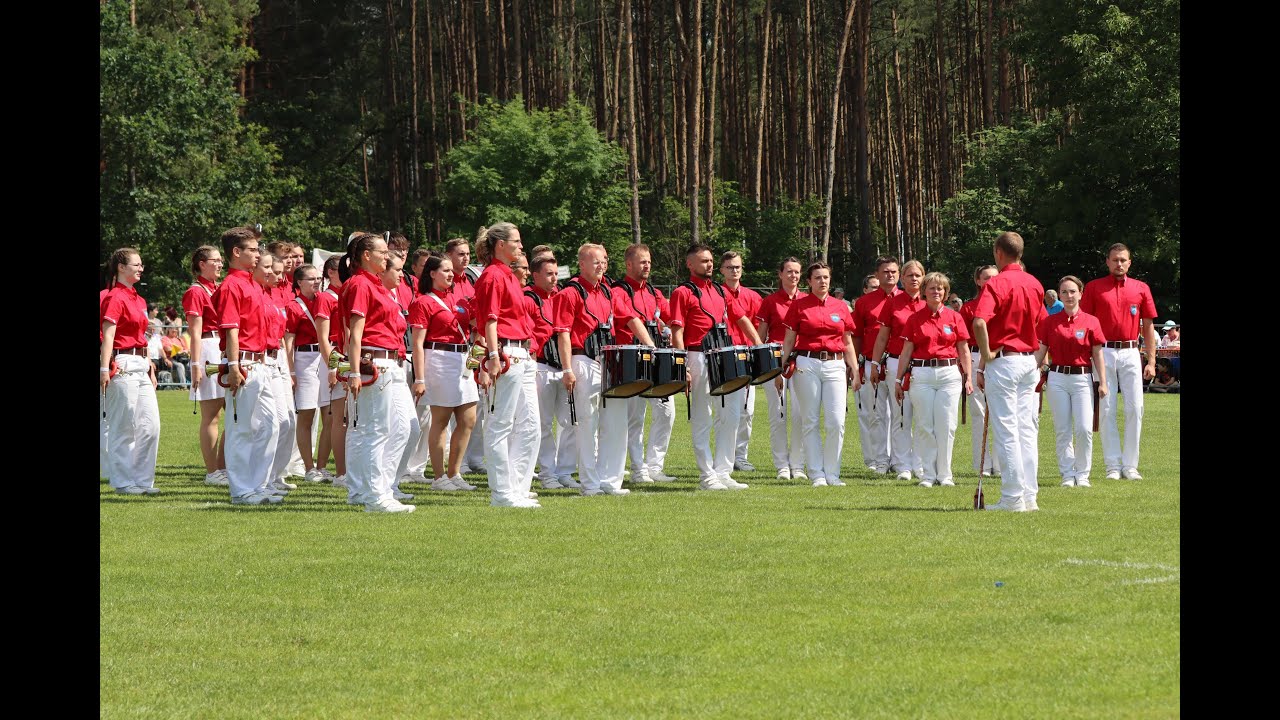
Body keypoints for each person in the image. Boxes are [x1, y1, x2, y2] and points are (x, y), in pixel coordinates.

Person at [554, 243, 652, 496]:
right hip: (583, 360)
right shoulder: (570, 293)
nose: (602, 265)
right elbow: (563, 334)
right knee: (587, 424)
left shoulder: (610, 292)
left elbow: (631, 319)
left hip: (610, 364)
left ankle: (611, 481)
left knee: (617, 423)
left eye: (605, 260)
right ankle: (589, 483)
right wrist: (567, 369)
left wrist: (651, 347)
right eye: (596, 261)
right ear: (582, 264)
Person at [668, 243, 763, 490]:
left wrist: (759, 345)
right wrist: (682, 365)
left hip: (724, 357)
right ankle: (706, 475)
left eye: (710, 261)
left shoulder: (721, 292)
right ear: (690, 264)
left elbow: (742, 319)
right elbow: (677, 332)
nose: (709, 264)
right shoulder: (682, 292)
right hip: (697, 355)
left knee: (731, 416)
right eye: (703, 261)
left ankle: (724, 471)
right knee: (702, 417)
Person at [337, 231, 417, 513]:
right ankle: (374, 495)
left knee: (382, 428)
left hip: (388, 361)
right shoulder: (361, 284)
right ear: (366, 256)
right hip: (376, 362)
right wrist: (355, 371)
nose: (388, 256)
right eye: (383, 252)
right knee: (375, 430)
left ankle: (366, 490)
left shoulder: (375, 285)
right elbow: (355, 333)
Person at [972, 231, 1049, 512]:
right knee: (1027, 430)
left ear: (998, 253)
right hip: (1029, 361)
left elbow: (979, 322)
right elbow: (1043, 323)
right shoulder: (1034, 283)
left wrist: (987, 352)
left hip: (1004, 360)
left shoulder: (997, 283)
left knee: (1006, 431)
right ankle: (1030, 496)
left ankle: (1012, 498)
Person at [211, 226, 284, 505]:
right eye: (252, 250)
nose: (257, 254)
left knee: (270, 426)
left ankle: (258, 484)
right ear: (236, 252)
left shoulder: (254, 284)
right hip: (245, 364)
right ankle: (241, 490)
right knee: (241, 428)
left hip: (262, 363)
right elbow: (231, 330)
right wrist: (232, 365)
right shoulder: (232, 285)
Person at [473, 223, 541, 508]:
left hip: (522, 352)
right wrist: (491, 356)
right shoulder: (491, 276)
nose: (520, 246)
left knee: (531, 426)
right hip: (507, 352)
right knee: (499, 425)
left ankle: (517, 487)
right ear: (500, 244)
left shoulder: (508, 276)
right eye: (516, 241)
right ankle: (502, 493)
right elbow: (489, 320)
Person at [1080, 243, 1158, 480]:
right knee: (1106, 407)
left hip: (1131, 351)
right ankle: (1112, 465)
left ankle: (1130, 465)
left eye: (1123, 260)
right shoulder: (1094, 288)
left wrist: (1151, 360)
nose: (1119, 264)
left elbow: (1148, 325)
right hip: (1102, 352)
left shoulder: (1141, 288)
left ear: (1130, 262)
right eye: (1115, 260)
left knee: (1136, 407)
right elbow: (1085, 323)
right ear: (1107, 261)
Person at [780, 262, 861, 487]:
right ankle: (816, 473)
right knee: (810, 421)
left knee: (836, 421)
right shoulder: (799, 306)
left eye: (825, 277)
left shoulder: (842, 307)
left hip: (835, 365)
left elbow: (847, 342)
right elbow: (788, 340)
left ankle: (833, 473)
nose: (822, 281)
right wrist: (780, 367)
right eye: (817, 278)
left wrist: (854, 370)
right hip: (807, 364)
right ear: (809, 281)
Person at [893, 272, 973, 488]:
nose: (936, 292)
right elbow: (906, 352)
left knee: (947, 426)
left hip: (949, 375)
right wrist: (898, 380)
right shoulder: (914, 318)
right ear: (924, 292)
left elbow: (963, 350)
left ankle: (945, 474)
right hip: (922, 374)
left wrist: (969, 377)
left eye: (940, 289)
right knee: (925, 425)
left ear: (945, 293)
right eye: (932, 288)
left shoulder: (955, 317)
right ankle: (928, 474)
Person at [410, 255, 481, 492]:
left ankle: (455, 473)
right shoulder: (423, 302)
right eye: (446, 270)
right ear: (432, 273)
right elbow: (417, 343)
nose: (451, 274)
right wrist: (419, 378)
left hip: (463, 359)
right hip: (438, 358)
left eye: (452, 271)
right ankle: (439, 477)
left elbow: (475, 325)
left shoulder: (458, 298)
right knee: (440, 419)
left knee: (468, 418)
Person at [1035, 275, 1108, 487]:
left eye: (1072, 291)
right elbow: (1041, 352)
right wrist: (1029, 372)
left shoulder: (1091, 321)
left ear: (1080, 294)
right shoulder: (1050, 322)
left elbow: (1098, 354)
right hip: (1057, 378)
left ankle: (1083, 474)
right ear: (1059, 295)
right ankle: (1067, 473)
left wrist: (1102, 381)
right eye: (1064, 292)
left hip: (1083, 378)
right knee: (1062, 429)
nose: (1068, 296)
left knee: (1084, 428)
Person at [100, 248, 162, 495]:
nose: (141, 268)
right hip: (123, 362)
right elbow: (108, 335)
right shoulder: (115, 297)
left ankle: (142, 481)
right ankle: (123, 482)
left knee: (150, 426)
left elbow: (143, 337)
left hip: (141, 363)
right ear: (120, 267)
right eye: (136, 264)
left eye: (141, 264)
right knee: (123, 426)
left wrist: (150, 367)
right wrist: (105, 368)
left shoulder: (139, 299)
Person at [614, 244, 676, 483]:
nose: (647, 265)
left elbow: (671, 316)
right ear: (629, 264)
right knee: (635, 417)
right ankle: (638, 469)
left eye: (649, 261)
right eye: (642, 261)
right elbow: (629, 320)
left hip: (656, 358)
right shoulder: (618, 291)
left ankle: (654, 466)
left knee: (667, 412)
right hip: (632, 359)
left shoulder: (654, 292)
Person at [525, 255, 580, 490]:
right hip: (542, 366)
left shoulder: (560, 296)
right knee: (544, 424)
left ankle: (565, 471)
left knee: (570, 422)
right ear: (535, 275)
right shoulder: (528, 299)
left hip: (563, 368)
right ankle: (547, 473)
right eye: (549, 274)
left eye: (556, 273)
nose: (554, 278)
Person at [869, 259, 926, 481]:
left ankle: (920, 464)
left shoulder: (929, 303)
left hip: (922, 366)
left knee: (922, 417)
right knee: (901, 415)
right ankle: (902, 464)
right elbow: (882, 336)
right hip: (895, 363)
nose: (913, 279)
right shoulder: (892, 303)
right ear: (902, 279)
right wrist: (874, 364)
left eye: (917, 275)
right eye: (909, 275)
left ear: (923, 277)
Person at [755, 257, 807, 480]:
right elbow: (761, 335)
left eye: (796, 272)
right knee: (778, 414)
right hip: (775, 359)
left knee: (800, 415)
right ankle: (782, 466)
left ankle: (798, 464)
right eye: (789, 271)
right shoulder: (770, 302)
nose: (793, 276)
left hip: (802, 360)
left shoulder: (807, 300)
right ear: (780, 274)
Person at [284, 263, 336, 484]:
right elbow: (288, 342)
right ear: (299, 283)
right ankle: (308, 466)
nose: (317, 282)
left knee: (329, 414)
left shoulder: (325, 301)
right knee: (307, 414)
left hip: (325, 355)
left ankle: (322, 465)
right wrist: (292, 371)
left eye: (318, 278)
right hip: (304, 358)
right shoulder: (293, 306)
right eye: (311, 279)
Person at [183, 245, 227, 485]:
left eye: (221, 260)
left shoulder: (218, 288)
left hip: (224, 346)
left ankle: (224, 467)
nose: (220, 264)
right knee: (211, 415)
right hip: (208, 347)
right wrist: (196, 363)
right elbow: (195, 330)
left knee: (233, 413)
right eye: (216, 260)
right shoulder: (195, 291)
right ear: (202, 263)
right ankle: (212, 471)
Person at [851, 257, 900, 475]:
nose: (890, 275)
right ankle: (879, 459)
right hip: (872, 364)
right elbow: (856, 336)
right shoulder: (864, 303)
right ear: (877, 275)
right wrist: (856, 365)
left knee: (901, 415)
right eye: (886, 272)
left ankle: (900, 460)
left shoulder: (909, 300)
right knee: (876, 415)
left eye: (894, 271)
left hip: (900, 364)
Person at [257, 253, 299, 496]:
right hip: (265, 358)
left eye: (282, 273)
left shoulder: (277, 294)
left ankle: (276, 475)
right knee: (273, 422)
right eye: (276, 271)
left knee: (287, 421)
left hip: (279, 357)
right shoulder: (259, 293)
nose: (281, 277)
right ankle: (265, 477)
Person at [720, 251, 764, 472]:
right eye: (729, 267)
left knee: (747, 410)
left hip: (747, 355)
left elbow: (758, 328)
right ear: (722, 270)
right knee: (723, 410)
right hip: (723, 354)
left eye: (737, 267)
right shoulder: (716, 293)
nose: (734, 270)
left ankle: (740, 455)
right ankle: (723, 455)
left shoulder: (753, 297)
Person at [446, 237, 487, 475]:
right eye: (460, 254)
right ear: (449, 255)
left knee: (475, 407)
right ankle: (457, 462)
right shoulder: (446, 282)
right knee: (454, 408)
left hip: (471, 348)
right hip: (449, 350)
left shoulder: (471, 282)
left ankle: (475, 457)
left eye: (468, 254)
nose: (466, 258)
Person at [960, 265, 1001, 477]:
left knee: (1000, 413)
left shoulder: (1003, 305)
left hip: (1000, 357)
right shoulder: (968, 308)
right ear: (978, 281)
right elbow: (963, 341)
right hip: (975, 357)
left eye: (995, 277)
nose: (991, 281)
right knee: (979, 413)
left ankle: (1001, 464)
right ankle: (982, 465)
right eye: (987, 278)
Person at [315, 254, 347, 486]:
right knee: (337, 417)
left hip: (346, 355)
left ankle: (341, 468)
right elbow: (323, 338)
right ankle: (338, 472)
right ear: (330, 273)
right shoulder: (326, 298)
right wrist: (332, 366)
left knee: (345, 416)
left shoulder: (345, 294)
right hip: (333, 357)